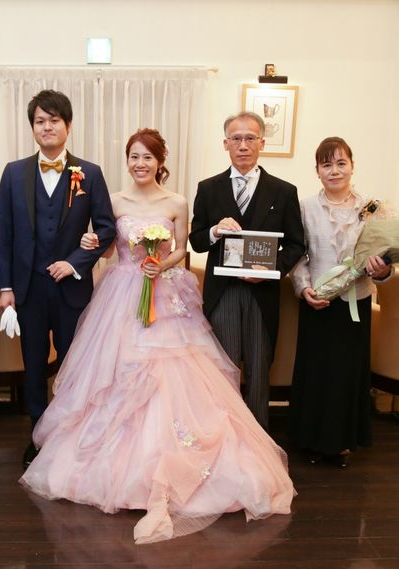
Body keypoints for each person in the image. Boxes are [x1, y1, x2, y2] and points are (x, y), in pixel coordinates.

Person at [20, 129, 295, 544]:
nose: (140, 164)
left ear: (160, 162)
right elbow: (108, 248)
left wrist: (162, 264)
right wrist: (92, 241)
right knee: (117, 376)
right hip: (121, 294)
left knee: (177, 377)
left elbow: (183, 249)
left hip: (165, 293)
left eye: (148, 157)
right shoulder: (114, 200)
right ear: (127, 161)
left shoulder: (177, 201)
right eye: (134, 156)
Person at [0, 89, 116, 468]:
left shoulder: (89, 173)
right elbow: (4, 234)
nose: (47, 127)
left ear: (68, 125)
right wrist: (5, 287)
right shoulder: (13, 173)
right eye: (40, 121)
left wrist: (76, 262)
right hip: (28, 289)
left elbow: (107, 230)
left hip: (73, 288)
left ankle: (69, 434)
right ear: (32, 127)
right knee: (33, 365)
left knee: (71, 364)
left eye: (54, 120)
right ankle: (37, 434)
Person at [189, 112, 305, 430]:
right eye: (236, 138)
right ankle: (224, 437)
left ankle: (258, 441)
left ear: (262, 143)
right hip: (222, 293)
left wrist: (271, 271)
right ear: (225, 143)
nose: (243, 145)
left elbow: (296, 244)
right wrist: (214, 231)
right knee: (223, 368)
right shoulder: (208, 188)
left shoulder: (284, 191)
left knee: (258, 368)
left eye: (250, 138)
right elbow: (196, 240)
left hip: (262, 294)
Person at [289, 137, 393, 468]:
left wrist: (383, 270)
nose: (334, 171)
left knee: (347, 373)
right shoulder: (305, 207)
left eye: (340, 163)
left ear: (352, 166)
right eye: (326, 164)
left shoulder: (373, 208)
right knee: (317, 372)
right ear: (317, 170)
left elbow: (383, 258)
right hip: (317, 301)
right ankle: (312, 440)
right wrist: (304, 288)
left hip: (355, 302)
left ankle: (342, 442)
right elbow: (297, 256)